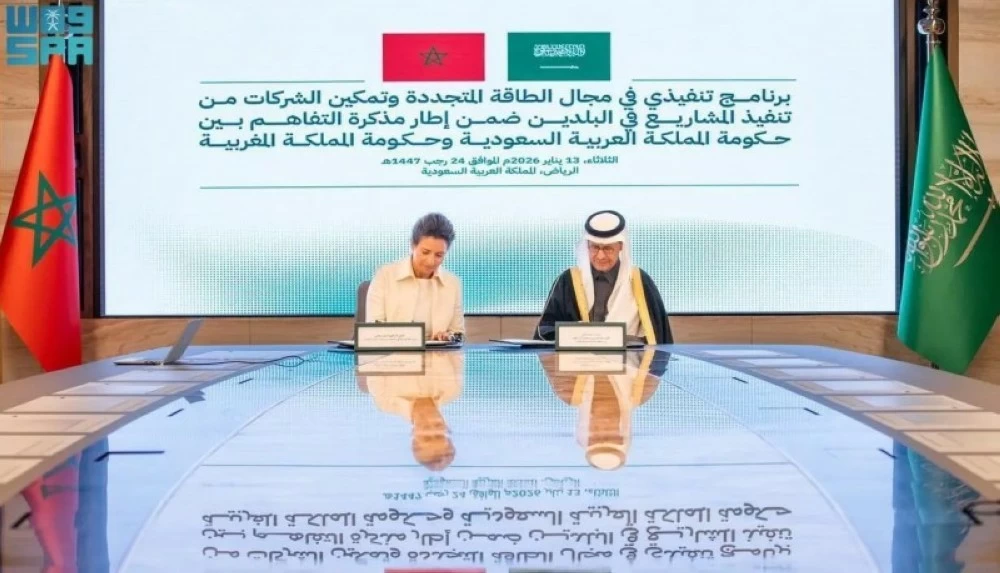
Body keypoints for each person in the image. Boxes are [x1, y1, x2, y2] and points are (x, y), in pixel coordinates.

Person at [534, 210, 672, 344]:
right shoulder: (567, 281)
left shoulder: (640, 282)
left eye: (608, 248)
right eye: (595, 247)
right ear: (587, 246)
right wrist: (577, 333)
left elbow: (658, 337)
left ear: (620, 246)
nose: (600, 256)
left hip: (629, 358)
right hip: (578, 359)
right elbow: (545, 331)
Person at [366, 213, 465, 341]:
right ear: (413, 245)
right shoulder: (385, 276)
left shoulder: (452, 284)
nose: (431, 261)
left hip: (438, 352)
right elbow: (373, 329)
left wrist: (448, 337)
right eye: (425, 252)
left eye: (439, 255)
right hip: (393, 352)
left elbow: (458, 333)